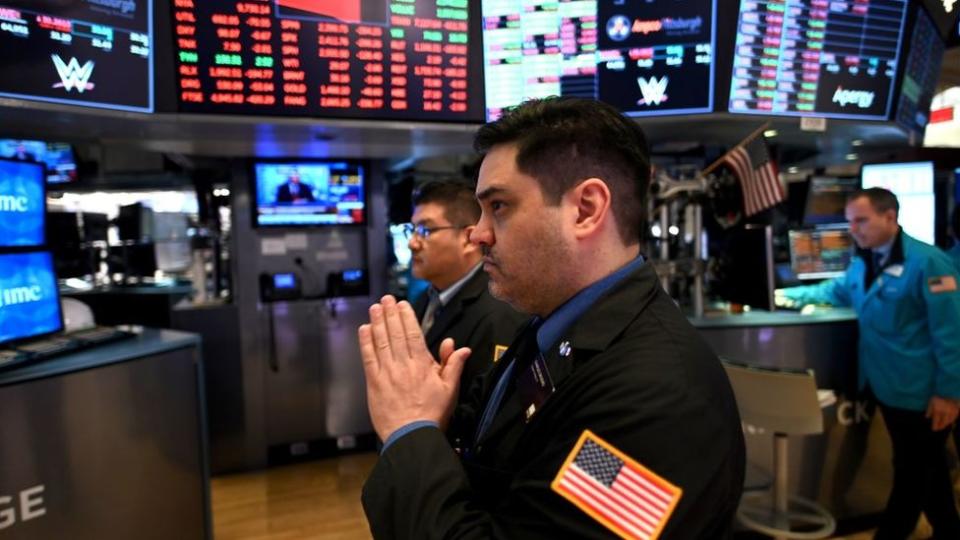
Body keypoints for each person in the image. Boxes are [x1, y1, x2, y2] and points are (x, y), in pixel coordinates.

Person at [357, 97, 745, 538]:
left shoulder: (660, 401)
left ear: (585, 209)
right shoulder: (553, 326)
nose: (479, 234)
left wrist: (410, 428)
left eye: (498, 206)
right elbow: (509, 451)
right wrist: (437, 417)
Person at [778, 188, 960, 539]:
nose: (853, 228)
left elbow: (951, 334)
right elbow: (832, 292)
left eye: (861, 220)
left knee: (910, 478)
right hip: (888, 388)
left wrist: (949, 394)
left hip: (922, 394)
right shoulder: (865, 261)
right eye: (850, 221)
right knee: (928, 471)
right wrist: (783, 294)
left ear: (890, 217)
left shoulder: (929, 263)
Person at [407, 179, 526, 409]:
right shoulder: (427, 298)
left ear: (468, 238)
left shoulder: (498, 311)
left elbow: (486, 410)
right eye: (411, 230)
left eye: (425, 230)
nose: (413, 243)